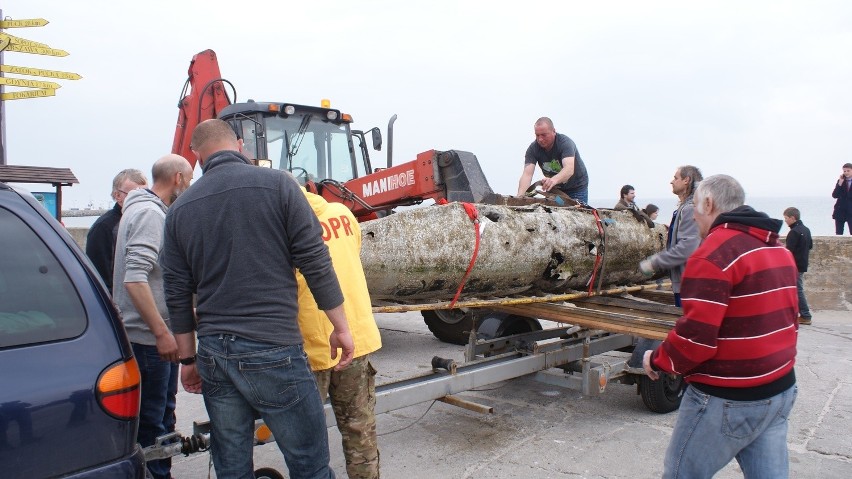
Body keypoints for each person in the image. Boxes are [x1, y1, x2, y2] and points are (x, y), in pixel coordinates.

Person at [160, 119, 354, 479]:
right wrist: (340, 326)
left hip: (214, 352)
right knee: (309, 466)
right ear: (239, 143)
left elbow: (176, 291)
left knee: (231, 467)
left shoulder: (180, 209)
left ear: (196, 155)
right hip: (273, 347)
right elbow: (315, 260)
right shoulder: (278, 184)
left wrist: (188, 359)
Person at [643, 174, 799, 479]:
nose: (695, 218)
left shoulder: (714, 255)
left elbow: (696, 339)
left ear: (709, 203)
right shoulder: (778, 250)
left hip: (728, 397)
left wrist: (658, 359)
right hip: (780, 388)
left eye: (696, 210)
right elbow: (790, 321)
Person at [112, 154, 193, 479]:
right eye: (187, 180)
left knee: (160, 418)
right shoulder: (149, 215)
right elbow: (135, 278)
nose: (188, 187)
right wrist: (162, 332)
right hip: (149, 342)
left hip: (144, 338)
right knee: (153, 426)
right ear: (177, 178)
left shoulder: (140, 209)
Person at [296, 188, 382, 479]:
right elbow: (351, 257)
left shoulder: (281, 224)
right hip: (355, 336)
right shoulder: (342, 214)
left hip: (312, 347)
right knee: (360, 431)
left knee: (306, 440)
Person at [639, 166, 703, 307]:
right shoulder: (686, 207)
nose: (671, 182)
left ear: (686, 180)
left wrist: (654, 262)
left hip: (689, 285)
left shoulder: (690, 208)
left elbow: (687, 248)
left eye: (675, 178)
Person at [86, 169, 147, 293]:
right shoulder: (104, 227)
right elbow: (99, 274)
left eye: (146, 194)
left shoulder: (144, 221)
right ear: (117, 196)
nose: (143, 199)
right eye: (135, 195)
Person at [516, 117, 589, 204]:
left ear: (554, 131)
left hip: (576, 188)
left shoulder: (565, 143)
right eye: (537, 135)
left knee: (577, 212)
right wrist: (519, 198)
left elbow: (569, 169)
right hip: (556, 190)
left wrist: (553, 180)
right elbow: (527, 175)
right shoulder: (533, 149)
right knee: (558, 211)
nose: (540, 139)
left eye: (544, 135)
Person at [783, 207, 814, 325]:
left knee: (797, 289)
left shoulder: (794, 232)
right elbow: (810, 246)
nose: (785, 221)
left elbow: (788, 251)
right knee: (797, 288)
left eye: (786, 218)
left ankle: (805, 315)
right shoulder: (806, 230)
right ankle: (799, 313)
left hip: (795, 265)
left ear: (792, 218)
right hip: (802, 263)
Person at [832, 162, 852, 235]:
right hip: (840, 210)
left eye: (848, 171)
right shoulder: (841, 181)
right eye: (844, 171)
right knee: (839, 233)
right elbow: (834, 195)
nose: (846, 173)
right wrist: (840, 183)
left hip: (851, 211)